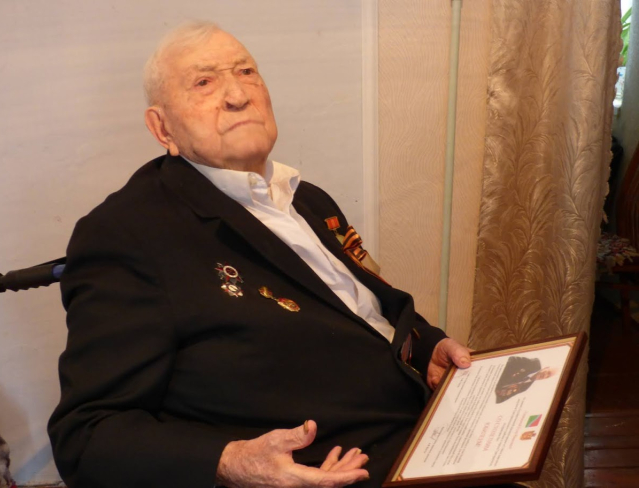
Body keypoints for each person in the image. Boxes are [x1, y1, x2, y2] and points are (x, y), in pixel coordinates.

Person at [48, 22, 474, 488]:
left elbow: (365, 309)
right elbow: (86, 436)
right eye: (204, 82)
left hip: (432, 435)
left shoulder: (306, 198)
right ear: (161, 127)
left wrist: (426, 348)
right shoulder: (128, 233)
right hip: (338, 473)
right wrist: (231, 461)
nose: (237, 95)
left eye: (246, 72)